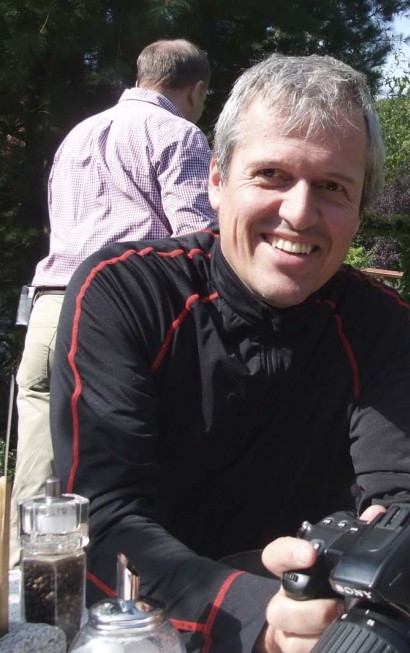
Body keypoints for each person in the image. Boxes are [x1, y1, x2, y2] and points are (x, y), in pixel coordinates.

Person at [51, 53, 410, 653]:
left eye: (332, 187)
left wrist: (393, 548)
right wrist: (254, 612)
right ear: (217, 180)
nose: (299, 212)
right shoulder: (126, 292)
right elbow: (104, 520)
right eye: (270, 175)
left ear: (359, 209)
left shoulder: (375, 320)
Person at [12, 38, 217, 568]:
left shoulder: (76, 135)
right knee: (121, 466)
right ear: (195, 89)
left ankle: (28, 590)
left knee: (41, 465)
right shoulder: (178, 133)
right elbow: (198, 239)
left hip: (49, 307)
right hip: (115, 315)